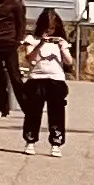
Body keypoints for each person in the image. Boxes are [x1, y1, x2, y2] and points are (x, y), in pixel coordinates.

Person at [21, 9, 74, 150]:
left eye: (52, 29)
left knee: (57, 112)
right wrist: (40, 44)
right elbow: (30, 60)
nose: (49, 33)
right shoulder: (32, 39)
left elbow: (69, 62)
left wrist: (62, 47)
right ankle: (30, 140)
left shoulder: (60, 42)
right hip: (36, 78)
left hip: (56, 79)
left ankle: (56, 142)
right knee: (33, 111)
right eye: (46, 29)